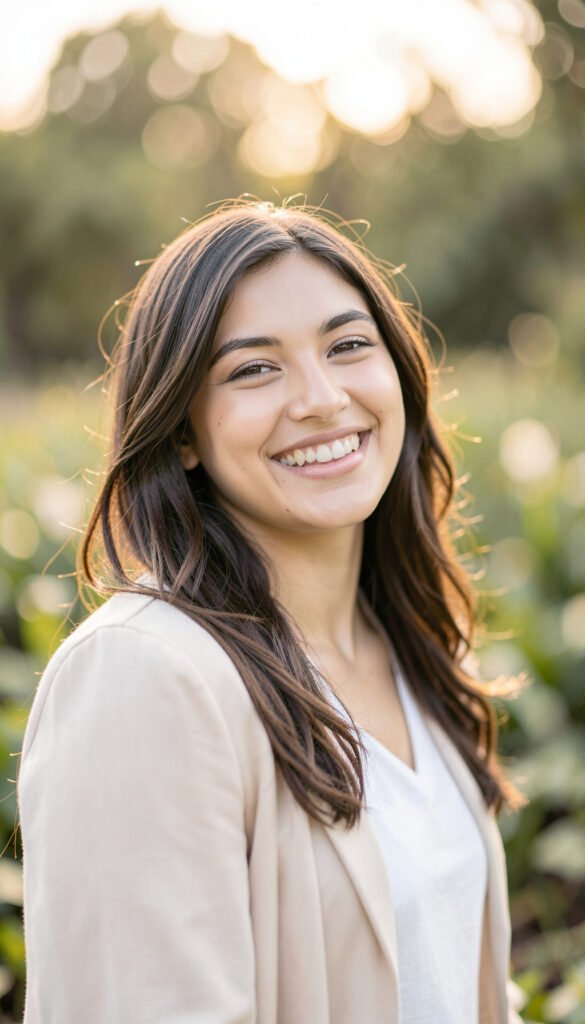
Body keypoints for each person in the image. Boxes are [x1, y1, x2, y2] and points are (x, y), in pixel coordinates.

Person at [17, 199, 527, 1023]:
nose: (322, 398)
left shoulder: (410, 645)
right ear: (181, 433)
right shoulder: (145, 676)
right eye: (254, 368)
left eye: (348, 345)